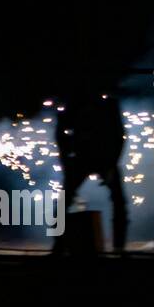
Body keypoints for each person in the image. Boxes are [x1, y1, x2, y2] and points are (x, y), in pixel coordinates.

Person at [55, 85, 128, 253]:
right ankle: (58, 245)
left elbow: (119, 136)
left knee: (119, 203)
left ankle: (119, 247)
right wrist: (66, 161)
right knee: (63, 201)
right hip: (83, 158)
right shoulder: (76, 103)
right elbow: (61, 134)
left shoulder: (108, 104)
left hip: (104, 158)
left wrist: (111, 164)